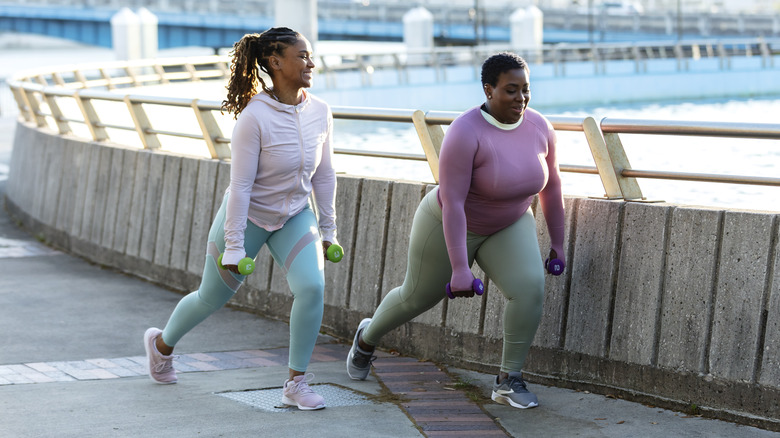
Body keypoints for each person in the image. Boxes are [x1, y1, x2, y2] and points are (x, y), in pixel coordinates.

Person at [345, 52, 565, 409]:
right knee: (417, 297)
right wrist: (461, 268)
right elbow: (454, 203)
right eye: (511, 91)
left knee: (529, 289)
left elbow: (551, 185)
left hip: (509, 222)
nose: (521, 99)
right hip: (448, 221)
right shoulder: (465, 132)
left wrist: (558, 243)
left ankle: (509, 380)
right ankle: (367, 338)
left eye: (526, 90)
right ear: (488, 89)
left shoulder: (540, 127)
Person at [144, 27, 339, 411]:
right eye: (302, 56)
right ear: (275, 62)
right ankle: (161, 345)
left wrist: (329, 229)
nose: (310, 63)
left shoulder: (320, 111)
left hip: (295, 216)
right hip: (248, 217)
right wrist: (234, 246)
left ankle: (296, 382)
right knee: (210, 298)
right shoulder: (254, 118)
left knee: (312, 287)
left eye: (310, 55)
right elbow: (241, 187)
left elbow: (324, 174)